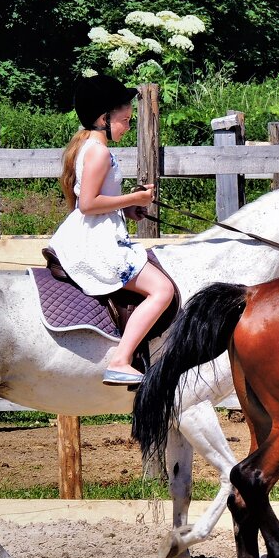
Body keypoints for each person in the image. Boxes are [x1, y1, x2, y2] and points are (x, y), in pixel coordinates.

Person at [49, 74, 172, 386]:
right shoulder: (99, 151)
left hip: (99, 231)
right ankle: (120, 359)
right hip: (96, 243)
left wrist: (127, 209)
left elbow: (95, 202)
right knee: (162, 290)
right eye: (125, 120)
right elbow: (88, 203)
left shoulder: (90, 147)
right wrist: (136, 197)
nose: (128, 127)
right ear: (104, 118)